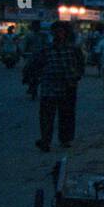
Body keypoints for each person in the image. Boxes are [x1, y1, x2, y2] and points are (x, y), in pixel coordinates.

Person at [36, 21, 85, 151]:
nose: (58, 34)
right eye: (56, 31)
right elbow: (38, 64)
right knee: (47, 116)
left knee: (66, 115)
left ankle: (65, 139)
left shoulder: (73, 49)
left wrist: (75, 77)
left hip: (68, 86)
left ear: (66, 33)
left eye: (61, 31)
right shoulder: (47, 49)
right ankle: (45, 141)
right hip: (49, 87)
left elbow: (80, 65)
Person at [21, 21, 49, 97]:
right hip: (31, 56)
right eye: (34, 26)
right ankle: (26, 81)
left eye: (37, 26)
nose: (36, 27)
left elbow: (47, 45)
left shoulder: (43, 35)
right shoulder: (29, 35)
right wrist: (23, 52)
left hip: (41, 56)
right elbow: (24, 45)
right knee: (26, 69)